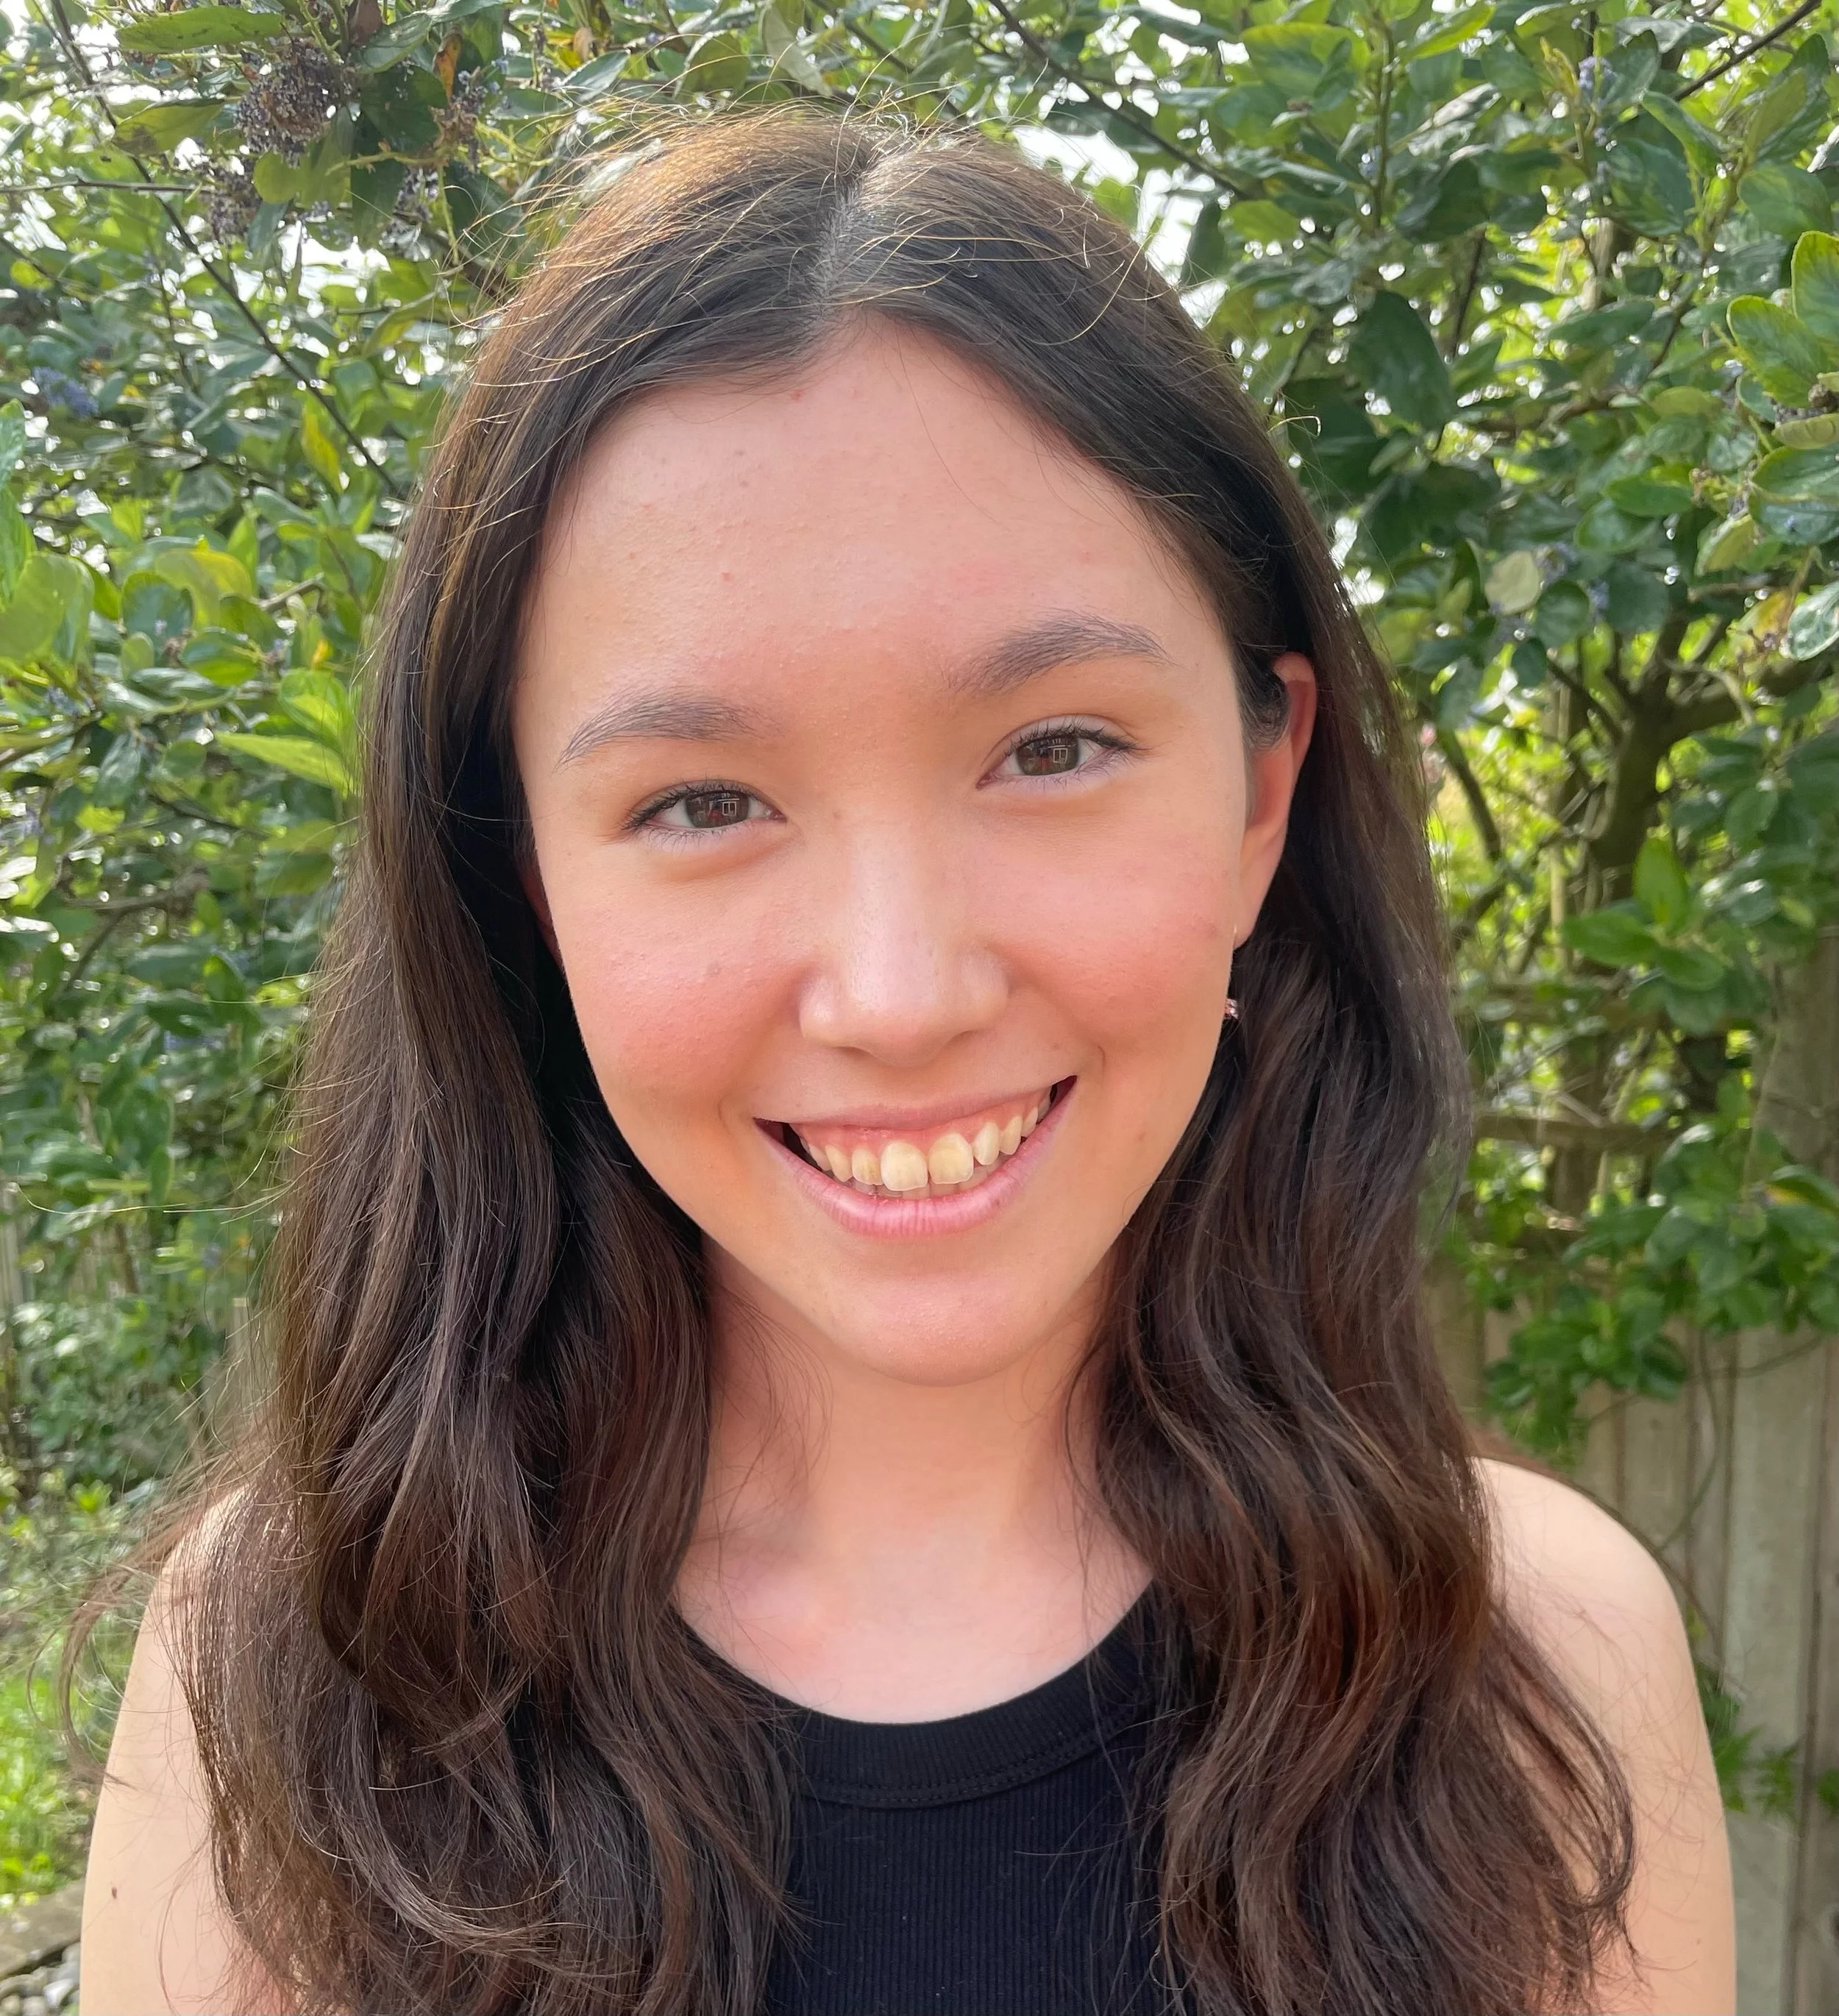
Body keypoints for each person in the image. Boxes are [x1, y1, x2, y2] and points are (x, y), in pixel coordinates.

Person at [79, 110, 1732, 2016]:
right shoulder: (285, 1685)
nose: (896, 990)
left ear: (1263, 785)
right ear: (515, 869)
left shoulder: (1538, 1664)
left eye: (1051, 750)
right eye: (704, 797)